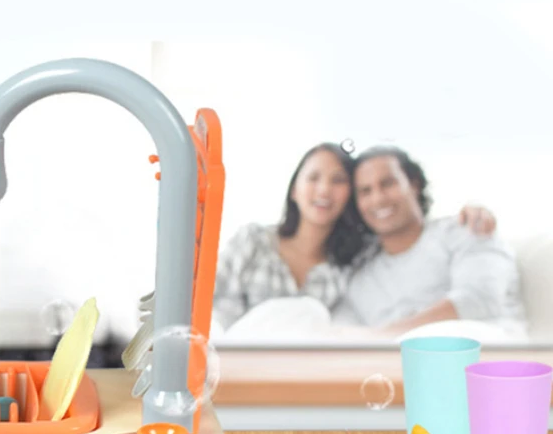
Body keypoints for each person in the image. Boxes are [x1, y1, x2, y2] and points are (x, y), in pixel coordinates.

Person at [213, 143, 496, 333]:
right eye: (313, 178)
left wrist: (473, 211)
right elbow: (206, 305)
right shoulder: (253, 240)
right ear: (294, 189)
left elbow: (406, 235)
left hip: (300, 378)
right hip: (231, 363)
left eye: (338, 181)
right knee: (309, 311)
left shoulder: (353, 261)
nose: (324, 190)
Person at [332, 146, 526, 337]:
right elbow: (341, 336)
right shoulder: (359, 276)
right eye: (365, 191)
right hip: (400, 365)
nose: (378, 198)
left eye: (388, 183)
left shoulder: (465, 229)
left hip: (488, 357)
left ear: (414, 184)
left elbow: (480, 298)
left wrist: (386, 335)